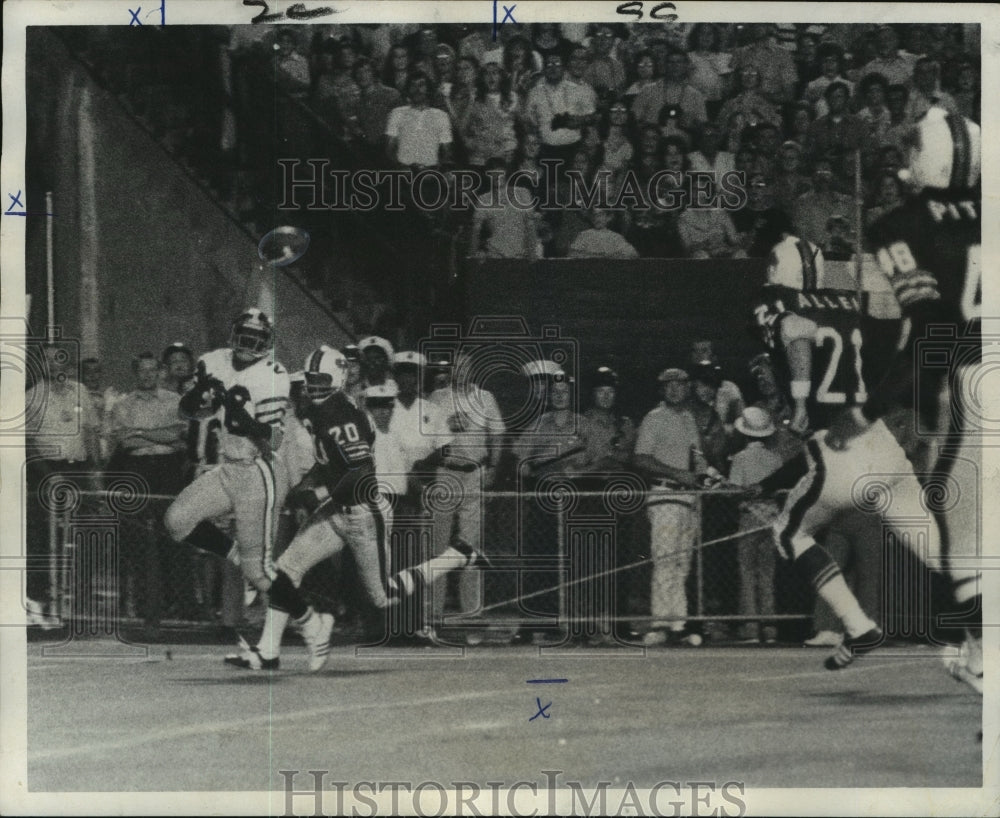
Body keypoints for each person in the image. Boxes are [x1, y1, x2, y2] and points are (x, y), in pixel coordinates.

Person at [835, 106, 982, 691]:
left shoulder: (902, 225)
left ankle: (977, 655)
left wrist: (871, 411)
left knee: (960, 529)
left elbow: (930, 331)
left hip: (977, 380)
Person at [224, 347, 488, 670]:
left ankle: (455, 556)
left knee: (382, 595)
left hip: (364, 511)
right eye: (310, 380)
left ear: (337, 380)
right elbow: (326, 464)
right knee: (285, 570)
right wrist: (299, 489)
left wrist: (317, 493)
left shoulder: (340, 416)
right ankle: (268, 651)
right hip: (339, 507)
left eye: (320, 380)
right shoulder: (318, 411)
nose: (313, 386)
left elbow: (359, 476)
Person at [752, 235, 945, 671]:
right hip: (880, 439)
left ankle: (857, 626)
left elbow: (795, 333)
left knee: (788, 533)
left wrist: (800, 400)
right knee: (936, 548)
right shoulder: (847, 301)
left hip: (838, 446)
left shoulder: (776, 301)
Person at [163, 309, 291, 606]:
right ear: (233, 334)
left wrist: (241, 418)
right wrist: (202, 392)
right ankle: (236, 555)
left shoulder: (273, 374)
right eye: (243, 336)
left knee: (261, 571)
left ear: (267, 342)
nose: (247, 344)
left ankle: (304, 619)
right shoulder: (214, 360)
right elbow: (188, 412)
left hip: (261, 470)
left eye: (255, 339)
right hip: (227, 466)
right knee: (177, 520)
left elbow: (274, 440)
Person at [107, 352, 190, 630]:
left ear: (160, 372)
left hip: (168, 470)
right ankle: (143, 604)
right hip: (137, 470)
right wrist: (160, 433)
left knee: (173, 534)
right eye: (142, 371)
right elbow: (125, 441)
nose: (147, 375)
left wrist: (142, 432)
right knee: (139, 538)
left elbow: (178, 435)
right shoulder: (123, 405)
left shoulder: (174, 401)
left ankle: (177, 603)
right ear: (135, 373)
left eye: (152, 370)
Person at [633, 368, 708, 646]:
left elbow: (697, 457)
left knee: (682, 562)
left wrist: (702, 472)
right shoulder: (654, 418)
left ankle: (678, 623)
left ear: (687, 387)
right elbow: (641, 458)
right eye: (669, 386)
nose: (675, 390)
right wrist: (678, 474)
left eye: (680, 385)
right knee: (664, 559)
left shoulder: (689, 419)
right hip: (665, 492)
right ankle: (661, 623)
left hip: (688, 496)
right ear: (662, 390)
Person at [728, 407, 784, 643]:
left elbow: (734, 489)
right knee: (767, 573)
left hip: (750, 517)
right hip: (772, 519)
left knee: (747, 572)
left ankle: (751, 626)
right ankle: (770, 627)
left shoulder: (740, 458)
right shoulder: (776, 458)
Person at [385, 71, 453, 168]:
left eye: (421, 85)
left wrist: (435, 170)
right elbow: (389, 150)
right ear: (408, 89)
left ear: (428, 89)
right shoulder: (397, 113)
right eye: (413, 85)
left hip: (431, 175)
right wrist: (402, 168)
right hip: (403, 175)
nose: (417, 89)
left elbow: (447, 152)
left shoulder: (441, 116)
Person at [567, 206, 638, 259]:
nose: (597, 218)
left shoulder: (616, 237)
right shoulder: (584, 235)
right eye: (595, 215)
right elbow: (572, 254)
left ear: (608, 217)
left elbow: (633, 254)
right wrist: (597, 257)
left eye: (600, 215)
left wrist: (611, 257)